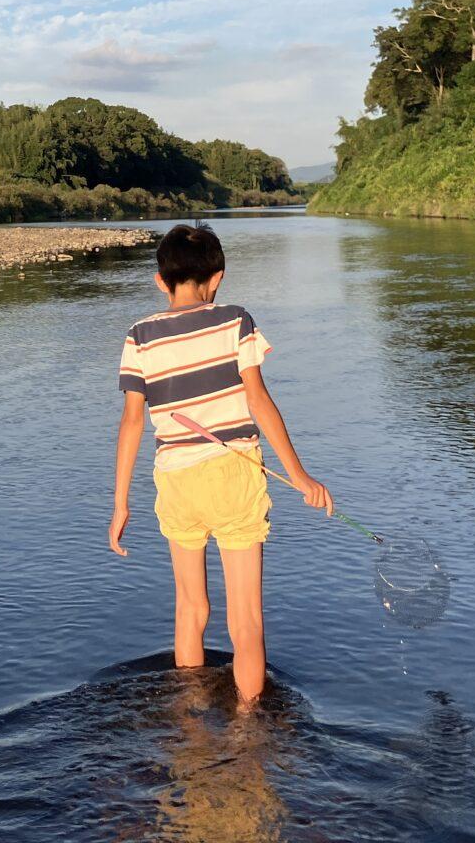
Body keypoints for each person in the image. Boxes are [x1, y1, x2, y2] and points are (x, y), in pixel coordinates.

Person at [108, 223, 332, 700]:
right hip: (234, 476)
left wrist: (120, 503)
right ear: (217, 278)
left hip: (176, 480)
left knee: (191, 609)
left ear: (161, 281)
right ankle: (249, 726)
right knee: (245, 621)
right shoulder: (235, 321)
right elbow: (259, 400)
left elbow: (131, 423)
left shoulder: (139, 336)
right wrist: (298, 475)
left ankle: (190, 720)